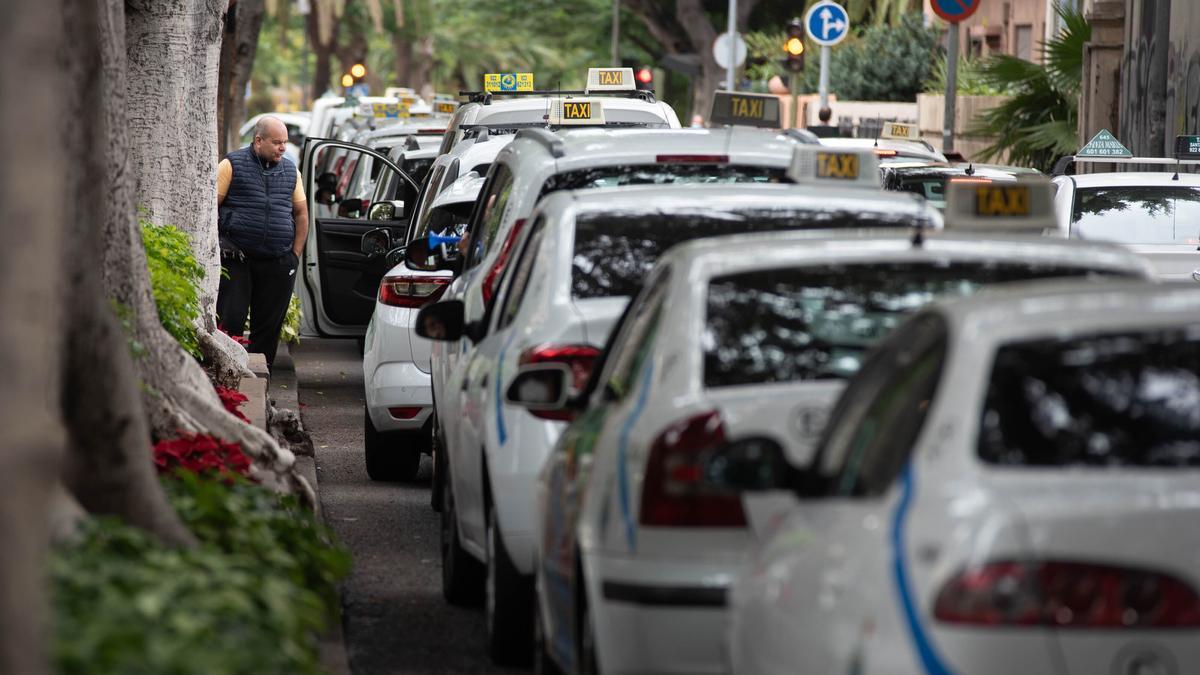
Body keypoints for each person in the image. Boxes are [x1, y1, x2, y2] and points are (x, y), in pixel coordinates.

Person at [216, 116, 309, 367]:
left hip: (278, 262)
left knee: (268, 331)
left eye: (285, 143)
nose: (283, 148)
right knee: (230, 322)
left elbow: (301, 213)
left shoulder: (291, 171)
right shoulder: (230, 164)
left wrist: (295, 255)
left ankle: (261, 384)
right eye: (277, 142)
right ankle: (228, 380)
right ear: (258, 141)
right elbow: (209, 207)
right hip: (237, 260)